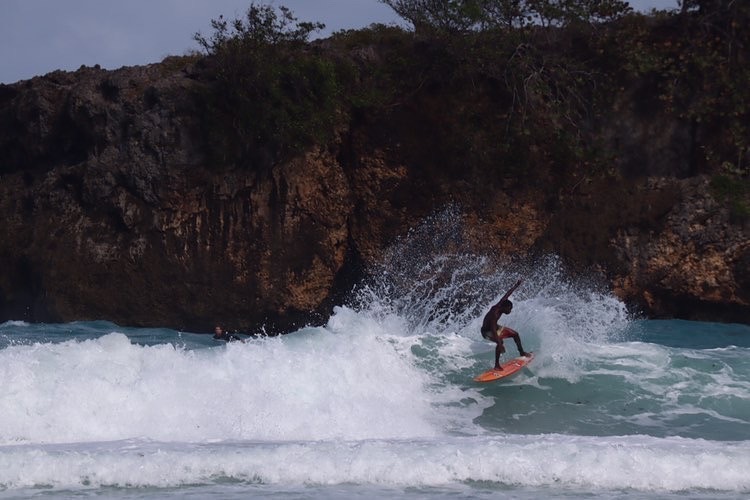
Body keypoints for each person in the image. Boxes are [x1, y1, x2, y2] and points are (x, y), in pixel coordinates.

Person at [480, 279, 531, 370]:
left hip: (495, 327)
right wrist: (498, 341)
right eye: (509, 309)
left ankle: (521, 352)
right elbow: (492, 329)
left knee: (515, 334)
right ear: (505, 307)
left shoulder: (501, 303)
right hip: (486, 332)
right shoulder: (494, 314)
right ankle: (496, 365)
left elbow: (507, 294)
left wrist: (516, 285)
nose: (510, 311)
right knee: (500, 342)